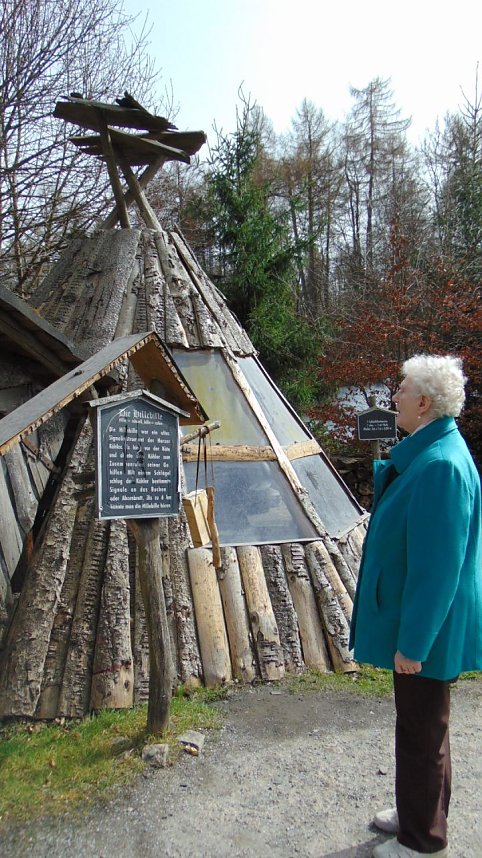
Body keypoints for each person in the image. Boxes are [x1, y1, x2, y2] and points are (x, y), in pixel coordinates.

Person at [349, 354, 482, 858]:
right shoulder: (433, 453)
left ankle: (422, 842)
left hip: (429, 631)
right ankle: (417, 814)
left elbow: (438, 570)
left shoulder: (441, 465)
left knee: (423, 732)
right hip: (427, 628)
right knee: (423, 726)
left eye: (402, 390)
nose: (395, 397)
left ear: (423, 403)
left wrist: (414, 643)